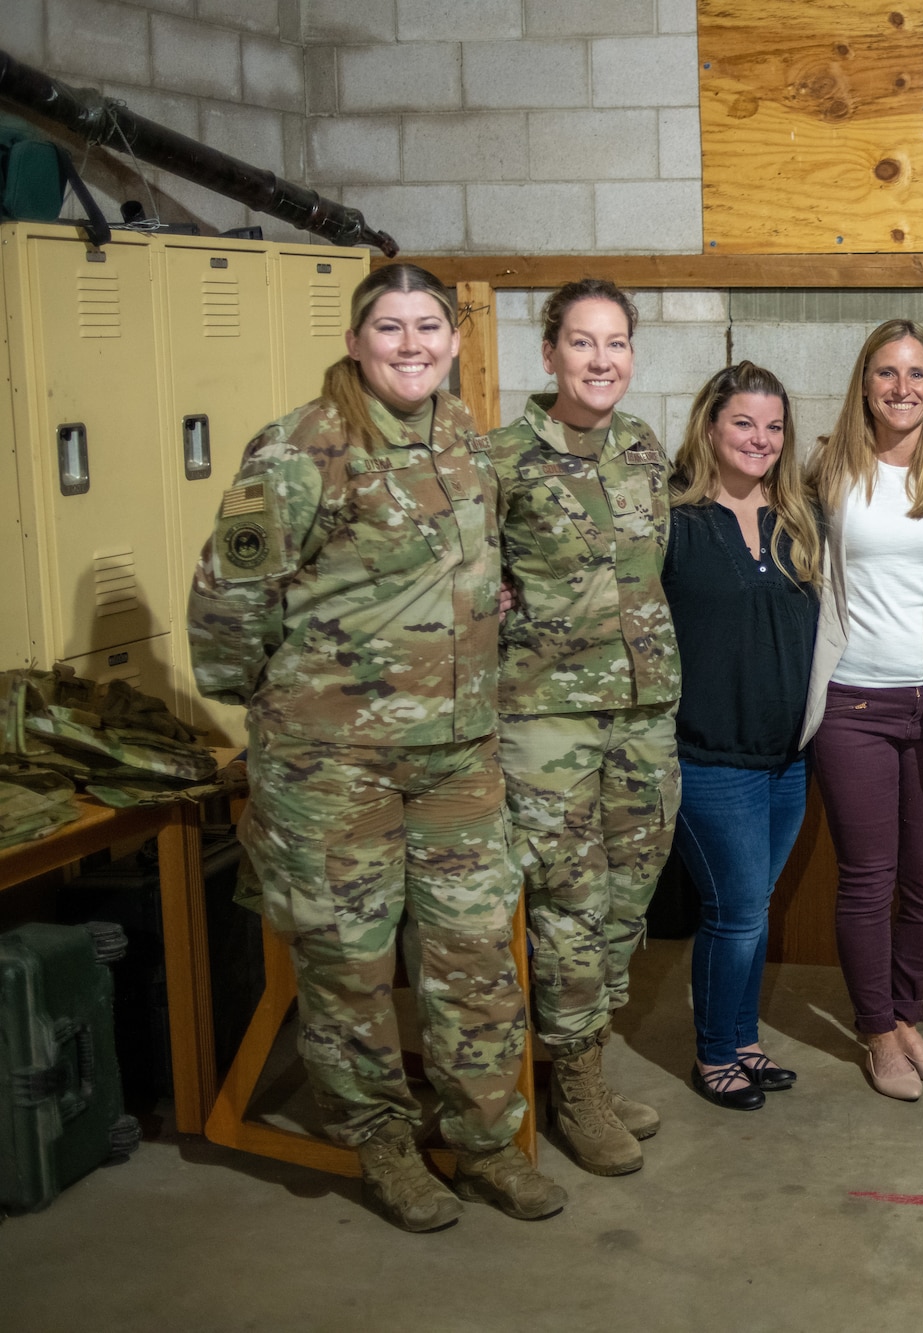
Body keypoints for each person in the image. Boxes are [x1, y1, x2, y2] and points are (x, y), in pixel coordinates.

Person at [187, 263, 565, 1231]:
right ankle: (384, 1146)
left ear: (451, 339)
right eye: (389, 327)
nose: (411, 344)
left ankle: (484, 1143)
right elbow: (227, 608)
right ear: (356, 342)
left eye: (428, 326)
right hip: (334, 765)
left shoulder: (461, 438)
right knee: (348, 965)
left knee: (475, 957)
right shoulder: (296, 451)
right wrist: (280, 719)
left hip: (458, 756)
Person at [487, 279, 679, 1176]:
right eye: (582, 343)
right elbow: (469, 582)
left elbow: (653, 565)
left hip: (643, 710)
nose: (601, 361)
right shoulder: (503, 460)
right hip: (549, 718)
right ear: (549, 353)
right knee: (568, 903)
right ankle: (571, 1086)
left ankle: (589, 1064)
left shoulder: (643, 446)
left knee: (628, 896)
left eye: (616, 344)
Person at [800, 320, 923, 1101]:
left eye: (917, 373)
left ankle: (908, 1016)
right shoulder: (827, 471)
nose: (901, 388)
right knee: (869, 879)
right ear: (864, 385)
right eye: (886, 373)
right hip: (853, 705)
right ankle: (876, 1030)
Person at [662, 362, 821, 1112]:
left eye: (774, 426)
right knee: (736, 908)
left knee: (754, 905)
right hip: (708, 756)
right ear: (711, 426)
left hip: (788, 758)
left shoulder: (800, 518)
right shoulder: (675, 522)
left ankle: (744, 1037)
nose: (760, 438)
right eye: (744, 423)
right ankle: (715, 1053)